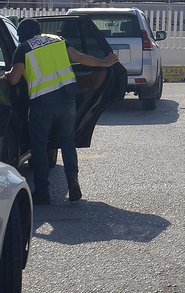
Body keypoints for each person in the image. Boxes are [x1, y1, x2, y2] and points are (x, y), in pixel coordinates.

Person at [7, 18, 117, 205]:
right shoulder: (58, 40)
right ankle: (72, 179)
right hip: (67, 98)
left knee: (39, 145)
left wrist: (5, 75)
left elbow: (14, 79)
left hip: (42, 103)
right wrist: (105, 63)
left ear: (22, 34)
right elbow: (81, 58)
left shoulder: (23, 49)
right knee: (67, 140)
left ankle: (42, 191)